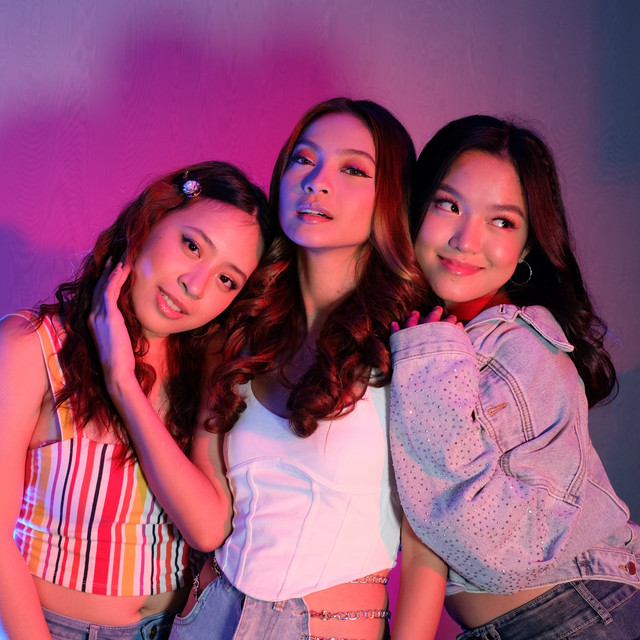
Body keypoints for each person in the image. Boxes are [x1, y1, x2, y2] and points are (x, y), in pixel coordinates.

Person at [168, 98, 446, 640]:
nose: (317, 182)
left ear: (389, 198)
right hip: (209, 616)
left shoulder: (412, 346)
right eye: (303, 159)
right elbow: (207, 517)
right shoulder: (238, 331)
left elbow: (425, 550)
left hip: (330, 626)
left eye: (353, 169)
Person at [389, 115, 640, 638]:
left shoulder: (517, 348)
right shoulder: (439, 337)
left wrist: (427, 361)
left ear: (526, 248)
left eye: (501, 222)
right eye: (448, 205)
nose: (466, 239)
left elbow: (499, 548)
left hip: (578, 616)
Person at [0, 160, 273, 640]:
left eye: (227, 280)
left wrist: (123, 383)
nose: (195, 285)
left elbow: (207, 529)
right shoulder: (34, 345)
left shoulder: (207, 372)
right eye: (192, 245)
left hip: (178, 629)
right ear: (151, 219)